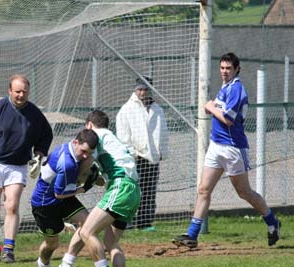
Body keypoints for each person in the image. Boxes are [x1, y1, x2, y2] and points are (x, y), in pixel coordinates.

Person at [172, 52, 281, 249]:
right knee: (203, 189)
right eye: (222, 68)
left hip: (232, 148)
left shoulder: (237, 88)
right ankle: (192, 235)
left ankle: (272, 221)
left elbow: (228, 119)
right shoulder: (225, 87)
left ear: (237, 69)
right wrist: (212, 107)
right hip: (216, 146)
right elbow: (218, 110)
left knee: (244, 192)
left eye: (228, 68)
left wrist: (210, 107)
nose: (224, 71)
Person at [0, 74, 53, 263]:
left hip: (18, 166)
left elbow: (46, 135)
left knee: (12, 206)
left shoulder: (35, 114)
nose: (21, 95)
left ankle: (8, 249)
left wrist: (38, 156)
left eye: (24, 91)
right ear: (9, 91)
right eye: (17, 91)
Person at [79, 110, 141, 267]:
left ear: (89, 125)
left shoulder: (95, 136)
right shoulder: (111, 138)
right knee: (111, 242)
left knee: (86, 232)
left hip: (120, 187)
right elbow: (101, 176)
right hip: (134, 190)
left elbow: (86, 162)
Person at [31, 129, 99, 267]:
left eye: (89, 153)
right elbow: (59, 193)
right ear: (76, 142)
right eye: (83, 151)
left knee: (88, 224)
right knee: (52, 244)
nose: (85, 156)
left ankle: (66, 265)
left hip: (61, 198)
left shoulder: (71, 150)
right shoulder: (66, 162)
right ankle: (43, 265)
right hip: (45, 204)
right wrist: (84, 188)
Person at [116, 76, 168, 230]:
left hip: (151, 157)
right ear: (135, 90)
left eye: (145, 89)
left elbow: (163, 132)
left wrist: (162, 152)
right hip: (135, 157)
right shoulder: (127, 109)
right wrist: (131, 152)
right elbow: (123, 135)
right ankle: (126, 221)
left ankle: (145, 222)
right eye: (140, 89)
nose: (143, 93)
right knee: (131, 190)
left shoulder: (157, 109)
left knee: (149, 191)